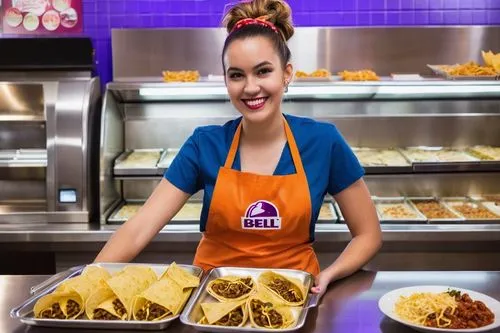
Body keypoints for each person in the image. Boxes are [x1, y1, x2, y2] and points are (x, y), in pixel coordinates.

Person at [95, 0, 382, 298]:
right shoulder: (204, 144)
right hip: (211, 300)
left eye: (263, 71)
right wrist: (88, 281)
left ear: (286, 74)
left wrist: (331, 273)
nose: (250, 87)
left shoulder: (323, 142)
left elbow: (368, 234)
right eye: (237, 75)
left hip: (294, 297)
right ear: (226, 80)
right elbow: (139, 228)